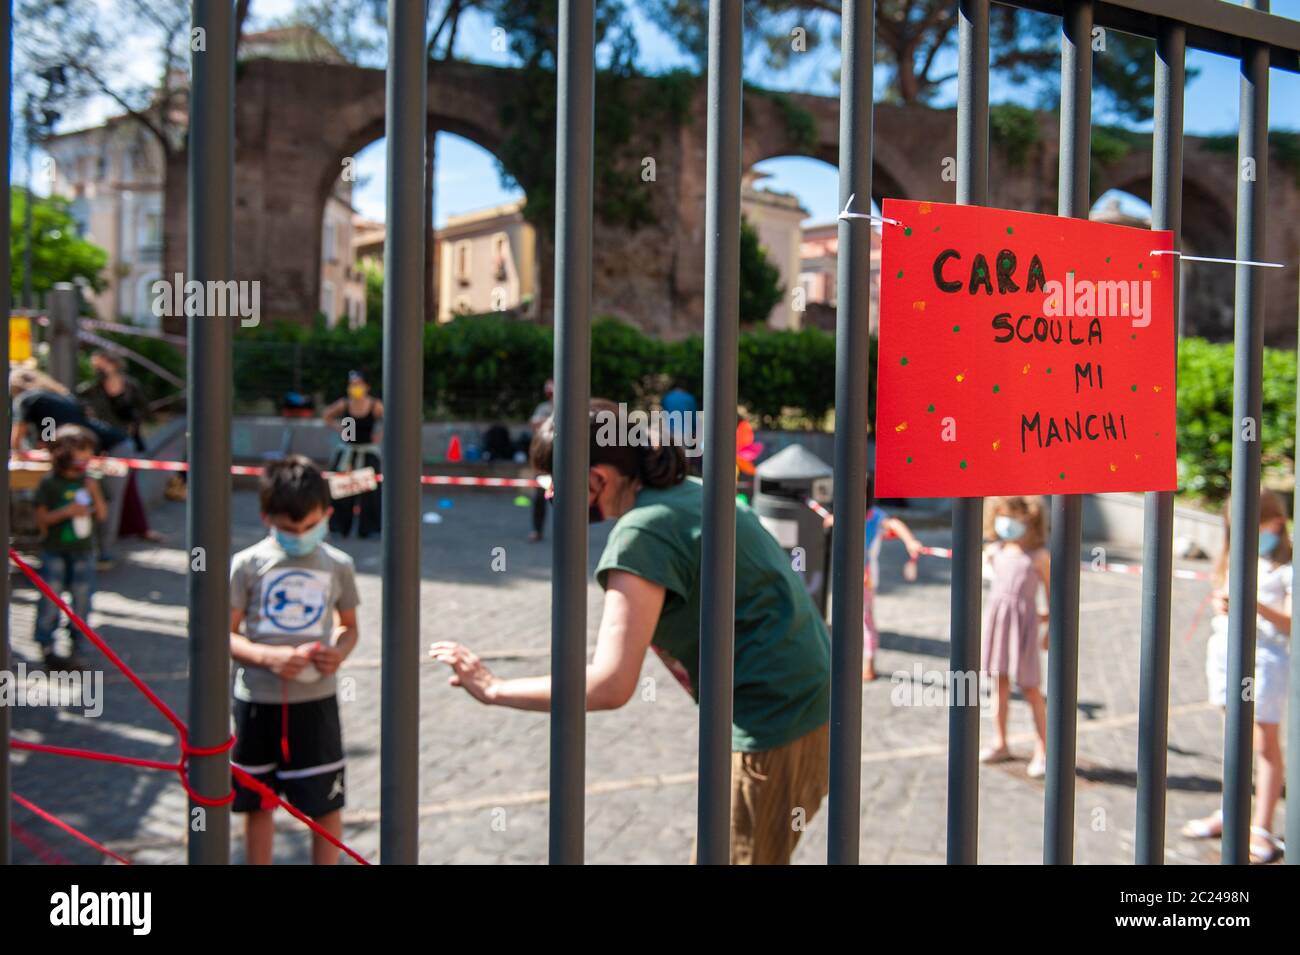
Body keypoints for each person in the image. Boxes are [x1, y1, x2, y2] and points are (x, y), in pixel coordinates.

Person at [431, 399, 832, 864]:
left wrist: (494, 688)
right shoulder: (687, 492)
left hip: (774, 719)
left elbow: (610, 685)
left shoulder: (644, 532)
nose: (548, 497)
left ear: (598, 478)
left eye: (553, 483)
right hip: (808, 703)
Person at [228, 456, 360, 864]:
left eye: (309, 527)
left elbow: (349, 626)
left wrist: (337, 652)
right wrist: (268, 656)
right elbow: (224, 634)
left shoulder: (339, 565)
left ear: (327, 516)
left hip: (315, 703)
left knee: (324, 803)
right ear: (267, 517)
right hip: (257, 702)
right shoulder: (247, 564)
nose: (299, 535)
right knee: (257, 801)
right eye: (288, 530)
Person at [1182, 487, 1290, 864]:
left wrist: (1253, 602)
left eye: (1253, 527)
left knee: (1264, 744)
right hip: (1226, 654)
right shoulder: (1235, 558)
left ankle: (1260, 826)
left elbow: (1291, 624)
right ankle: (1231, 813)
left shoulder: (1287, 568)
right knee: (1233, 741)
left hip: (1264, 661)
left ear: (1276, 523)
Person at [821, 473, 924, 681]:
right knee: (849, 619)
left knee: (865, 621)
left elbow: (894, 524)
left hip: (865, 577)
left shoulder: (875, 516)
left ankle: (868, 665)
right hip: (845, 575)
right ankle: (852, 662)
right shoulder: (846, 513)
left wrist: (910, 541)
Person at [980, 496, 1051, 778]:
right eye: (1003, 514)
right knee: (998, 683)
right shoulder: (995, 550)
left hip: (1023, 626)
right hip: (998, 621)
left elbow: (1052, 594)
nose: (1007, 522)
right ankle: (1000, 741)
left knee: (1031, 687)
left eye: (1014, 516)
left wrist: (1048, 629)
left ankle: (1043, 749)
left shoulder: (1038, 556)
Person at [32, 425, 108, 672]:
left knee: (83, 597)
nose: (87, 457)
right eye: (82, 451)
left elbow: (103, 515)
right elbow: (41, 520)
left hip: (83, 550)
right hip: (54, 549)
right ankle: (46, 644)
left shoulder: (90, 482)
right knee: (50, 596)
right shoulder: (49, 484)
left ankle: (77, 643)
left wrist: (95, 494)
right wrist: (67, 511)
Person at [77, 351, 163, 550]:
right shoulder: (91, 389)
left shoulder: (130, 386)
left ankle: (132, 530)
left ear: (114, 364)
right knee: (113, 488)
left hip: (124, 443)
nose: (99, 369)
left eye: (103, 365)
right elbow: (81, 406)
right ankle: (114, 535)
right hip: (101, 443)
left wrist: (134, 423)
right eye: (96, 366)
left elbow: (145, 410)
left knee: (126, 486)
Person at [321, 370, 383, 539]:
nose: (355, 388)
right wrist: (339, 428)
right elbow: (327, 415)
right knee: (342, 491)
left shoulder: (374, 405)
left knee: (370, 494)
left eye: (358, 384)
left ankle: (369, 529)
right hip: (348, 453)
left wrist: (380, 435)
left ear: (366, 386)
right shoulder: (344, 404)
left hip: (367, 453)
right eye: (352, 384)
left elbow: (390, 419)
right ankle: (339, 528)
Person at [10, 368, 125, 453]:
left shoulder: (26, 398)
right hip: (112, 443)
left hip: (111, 447)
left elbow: (17, 436)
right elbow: (49, 425)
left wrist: (18, 454)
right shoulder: (55, 397)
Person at [527, 378, 554, 542]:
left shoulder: (571, 405)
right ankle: (537, 530)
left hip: (565, 459)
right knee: (539, 496)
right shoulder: (544, 408)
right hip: (545, 458)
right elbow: (534, 423)